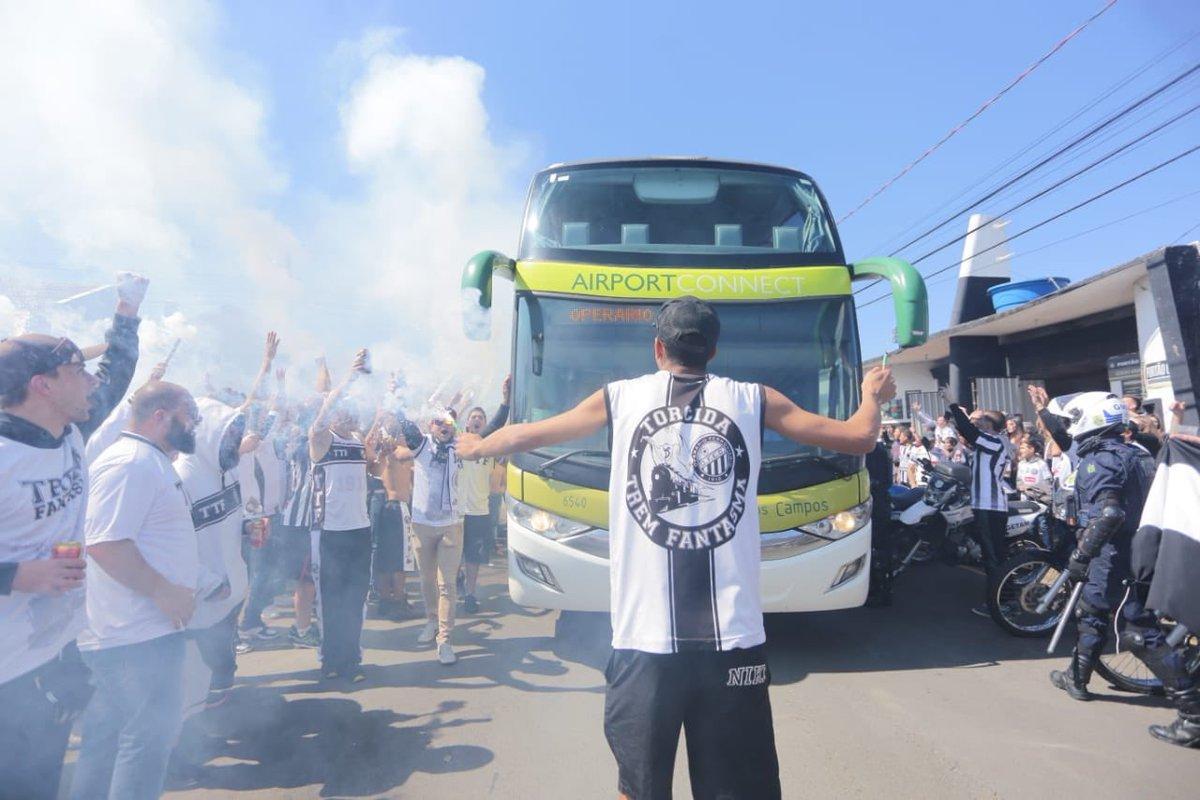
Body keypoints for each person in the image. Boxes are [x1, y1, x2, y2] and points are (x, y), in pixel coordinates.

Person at [456, 295, 895, 800]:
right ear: (714, 349)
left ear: (658, 347)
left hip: (644, 642)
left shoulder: (617, 398)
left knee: (639, 788)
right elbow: (860, 437)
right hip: (733, 640)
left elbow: (535, 433)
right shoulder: (756, 399)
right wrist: (871, 393)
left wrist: (479, 445)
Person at [0, 273, 145, 800]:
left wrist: (126, 312)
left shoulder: (69, 428)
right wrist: (16, 574)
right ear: (42, 385)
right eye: (76, 372)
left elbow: (117, 370)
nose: (90, 382)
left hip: (58, 655)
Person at [72, 382, 200, 800]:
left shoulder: (150, 459)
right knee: (145, 742)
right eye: (189, 415)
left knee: (109, 741)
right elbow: (106, 543)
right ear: (160, 416)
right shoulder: (131, 463)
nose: (195, 423)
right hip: (133, 635)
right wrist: (165, 591)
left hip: (137, 633)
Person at [1037, 392, 1157, 703]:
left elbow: (1109, 513)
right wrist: (1045, 409)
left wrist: (1083, 554)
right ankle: (1076, 676)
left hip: (1109, 547)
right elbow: (1066, 437)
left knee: (1112, 616)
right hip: (1138, 544)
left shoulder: (1102, 457)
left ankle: (1185, 694)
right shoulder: (1137, 453)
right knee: (1101, 611)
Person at [308, 349, 374, 682]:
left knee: (355, 599)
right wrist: (349, 375)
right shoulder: (321, 440)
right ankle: (331, 661)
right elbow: (324, 407)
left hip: (360, 530)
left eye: (350, 412)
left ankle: (351, 659)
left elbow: (372, 466)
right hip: (331, 531)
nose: (346, 416)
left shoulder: (360, 440)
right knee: (332, 601)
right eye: (341, 411)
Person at [388, 406, 467, 665]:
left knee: (447, 585)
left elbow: (489, 435)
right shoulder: (421, 447)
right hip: (422, 524)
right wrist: (398, 397)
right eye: (439, 422)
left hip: (451, 524)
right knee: (426, 580)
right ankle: (432, 621)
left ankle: (445, 639)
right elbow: (407, 427)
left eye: (449, 422)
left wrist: (504, 404)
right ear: (431, 426)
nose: (444, 426)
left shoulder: (461, 447)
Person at [945, 399, 1010, 617]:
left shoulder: (996, 442)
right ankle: (1000, 598)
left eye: (980, 419)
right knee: (990, 555)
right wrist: (956, 416)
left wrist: (954, 405)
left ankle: (999, 604)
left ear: (990, 424)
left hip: (991, 507)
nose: (977, 421)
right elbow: (965, 434)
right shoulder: (989, 441)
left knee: (994, 557)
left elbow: (970, 433)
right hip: (983, 505)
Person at [457, 379, 511, 614]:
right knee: (454, 555)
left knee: (474, 556)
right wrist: (460, 403)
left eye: (481, 418)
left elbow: (500, 424)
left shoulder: (487, 445)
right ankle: (454, 580)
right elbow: (445, 421)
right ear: (466, 423)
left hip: (480, 511)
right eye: (473, 417)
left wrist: (506, 400)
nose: (477, 420)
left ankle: (470, 594)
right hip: (456, 512)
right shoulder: (457, 443)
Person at [365, 410, 418, 621]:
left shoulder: (383, 452)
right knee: (399, 559)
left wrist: (378, 419)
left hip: (382, 506)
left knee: (384, 556)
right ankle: (396, 601)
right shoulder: (398, 451)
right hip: (396, 506)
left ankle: (387, 600)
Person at [865, 439, 894, 608]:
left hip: (875, 503)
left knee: (878, 549)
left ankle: (881, 590)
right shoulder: (879, 448)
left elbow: (877, 479)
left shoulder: (873, 450)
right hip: (878, 501)